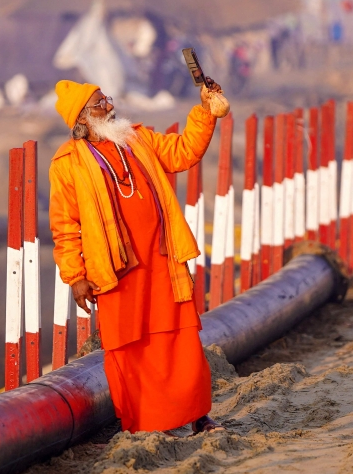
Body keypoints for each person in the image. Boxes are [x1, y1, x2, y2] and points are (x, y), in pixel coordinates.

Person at [49, 79, 226, 435]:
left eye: (107, 100)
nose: (109, 107)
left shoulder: (137, 138)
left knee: (179, 341)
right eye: (100, 103)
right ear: (83, 117)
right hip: (115, 271)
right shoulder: (67, 164)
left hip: (161, 260)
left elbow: (184, 152)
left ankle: (196, 417)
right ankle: (146, 425)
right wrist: (75, 275)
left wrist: (206, 111)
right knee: (129, 350)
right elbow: (65, 227)